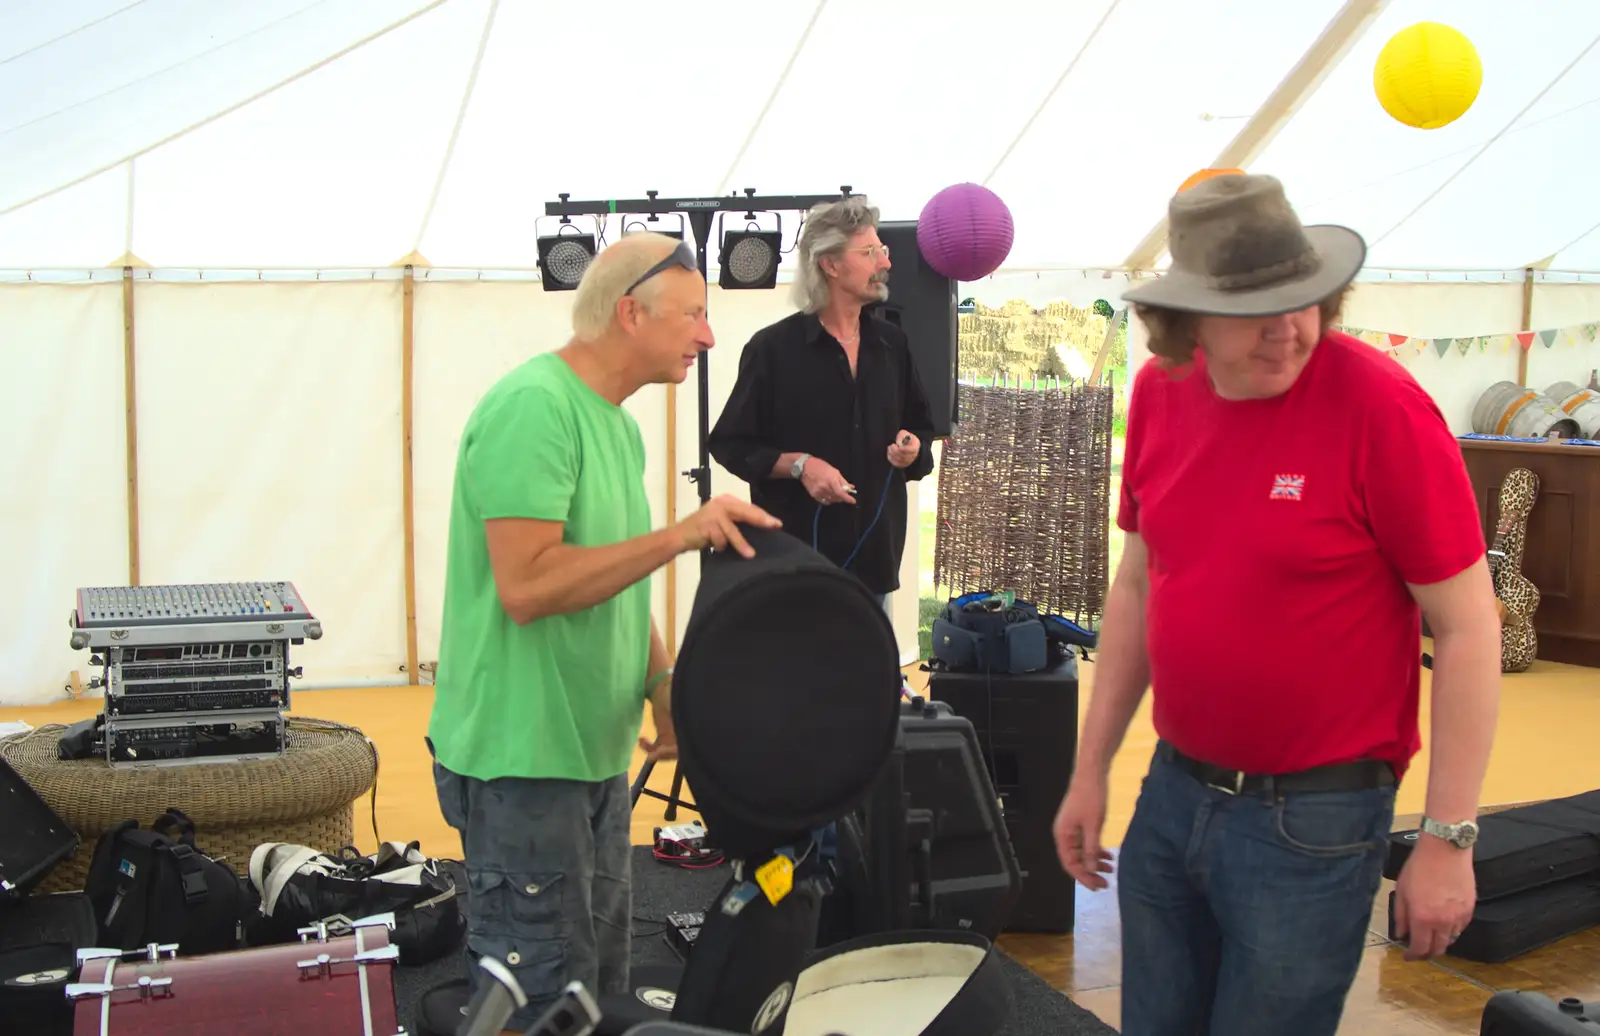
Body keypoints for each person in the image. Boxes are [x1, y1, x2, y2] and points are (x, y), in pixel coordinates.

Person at [1051, 174, 1500, 1036]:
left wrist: (1448, 836)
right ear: (1185, 323)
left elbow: (1470, 625)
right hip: (1174, 791)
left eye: (1304, 302)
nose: (1288, 329)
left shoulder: (1383, 407)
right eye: (1255, 310)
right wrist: (1087, 768)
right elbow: (1141, 583)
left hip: (1318, 822)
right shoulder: (1158, 393)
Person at [426, 232, 780, 1031]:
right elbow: (528, 585)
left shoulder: (616, 425)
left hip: (590, 755)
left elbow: (617, 575)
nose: (709, 335)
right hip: (523, 761)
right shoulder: (533, 409)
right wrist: (682, 535)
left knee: (591, 997)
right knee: (538, 1001)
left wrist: (661, 689)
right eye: (693, 314)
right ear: (630, 312)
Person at [708, 195, 937, 606]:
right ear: (829, 264)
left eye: (882, 251)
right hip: (793, 567)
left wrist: (913, 447)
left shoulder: (892, 344)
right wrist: (799, 466)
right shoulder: (772, 350)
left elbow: (920, 427)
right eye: (870, 252)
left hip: (874, 567)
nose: (885, 263)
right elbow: (731, 444)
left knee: (866, 673)